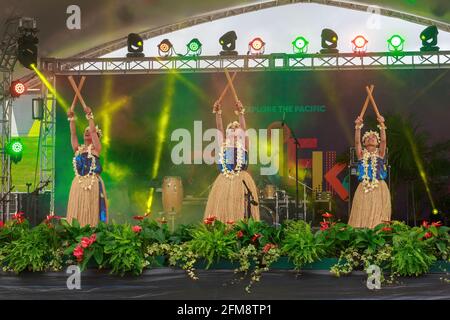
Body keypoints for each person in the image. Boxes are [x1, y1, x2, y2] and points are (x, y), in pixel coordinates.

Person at [204, 100, 260, 222]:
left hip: (241, 181)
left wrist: (241, 113)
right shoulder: (223, 146)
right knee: (224, 207)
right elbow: (219, 128)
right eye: (231, 133)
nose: (234, 136)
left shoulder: (243, 146)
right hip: (224, 181)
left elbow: (244, 130)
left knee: (240, 207)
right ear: (227, 135)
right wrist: (218, 113)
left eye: (236, 134)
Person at [66, 107, 108, 226]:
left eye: (89, 131)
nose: (87, 132)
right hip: (78, 184)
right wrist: (71, 118)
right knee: (77, 208)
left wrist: (90, 115)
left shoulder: (96, 149)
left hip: (92, 183)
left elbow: (94, 132)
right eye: (85, 130)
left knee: (91, 208)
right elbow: (73, 134)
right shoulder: (78, 149)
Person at [348, 115, 391, 228]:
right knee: (362, 212)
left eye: (373, 137)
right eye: (367, 138)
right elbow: (357, 143)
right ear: (364, 143)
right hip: (364, 187)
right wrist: (358, 127)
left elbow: (384, 141)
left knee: (379, 213)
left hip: (379, 187)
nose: (370, 138)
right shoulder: (361, 155)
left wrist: (382, 125)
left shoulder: (380, 154)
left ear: (377, 142)